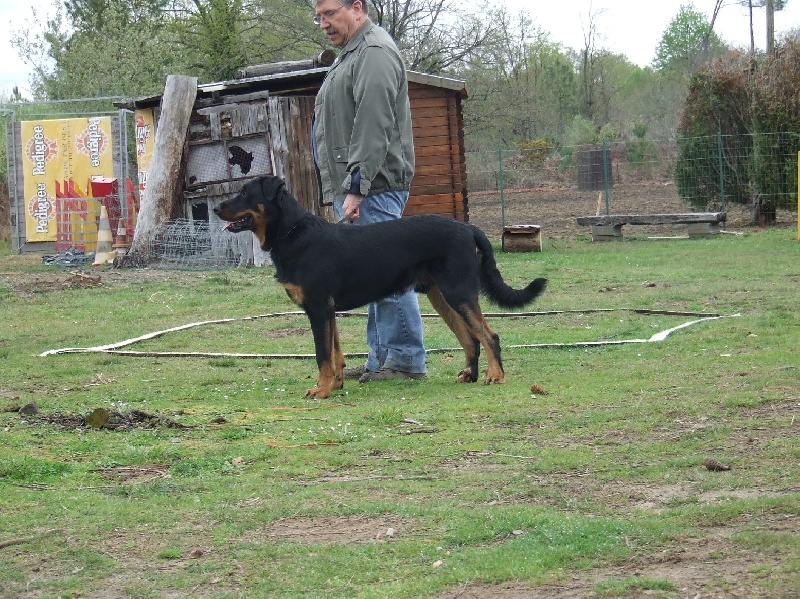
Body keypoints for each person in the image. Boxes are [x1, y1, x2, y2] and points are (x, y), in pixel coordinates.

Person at [312, 0, 427, 382]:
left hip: (372, 185)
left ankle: (406, 360)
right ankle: (382, 359)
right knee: (370, 275)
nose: (324, 23)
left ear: (357, 7)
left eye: (330, 13)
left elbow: (372, 125)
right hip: (356, 184)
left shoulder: (374, 51)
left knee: (389, 272)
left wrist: (357, 185)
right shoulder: (350, 53)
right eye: (319, 16)